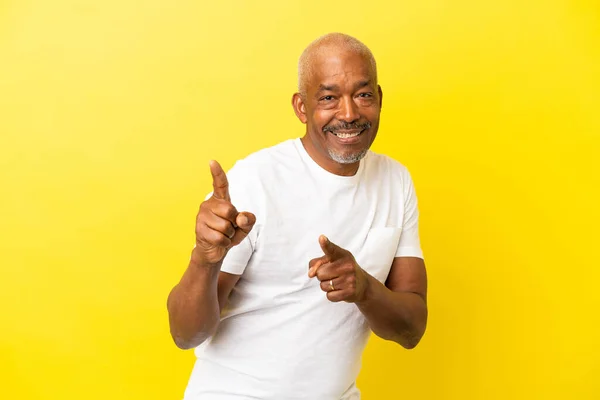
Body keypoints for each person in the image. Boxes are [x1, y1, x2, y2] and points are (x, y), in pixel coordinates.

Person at [167, 32, 428, 400]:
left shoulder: (395, 181)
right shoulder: (256, 181)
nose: (349, 113)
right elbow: (185, 334)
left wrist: (365, 288)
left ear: (380, 99)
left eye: (363, 94)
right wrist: (204, 259)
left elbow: (412, 329)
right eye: (328, 98)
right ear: (302, 107)